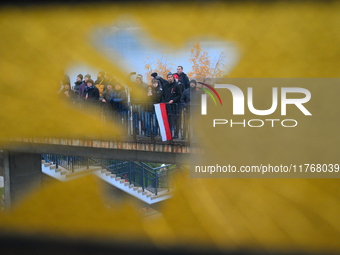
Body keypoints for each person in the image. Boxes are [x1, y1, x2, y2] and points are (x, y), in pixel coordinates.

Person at [162, 72, 182, 139]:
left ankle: (176, 134)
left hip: (174, 106)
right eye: (168, 77)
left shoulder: (176, 85)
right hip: (167, 106)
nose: (170, 78)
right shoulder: (165, 85)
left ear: (172, 77)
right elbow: (163, 95)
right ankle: (169, 134)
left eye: (171, 77)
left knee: (175, 120)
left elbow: (179, 95)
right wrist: (164, 102)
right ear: (167, 78)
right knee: (168, 121)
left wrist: (173, 100)